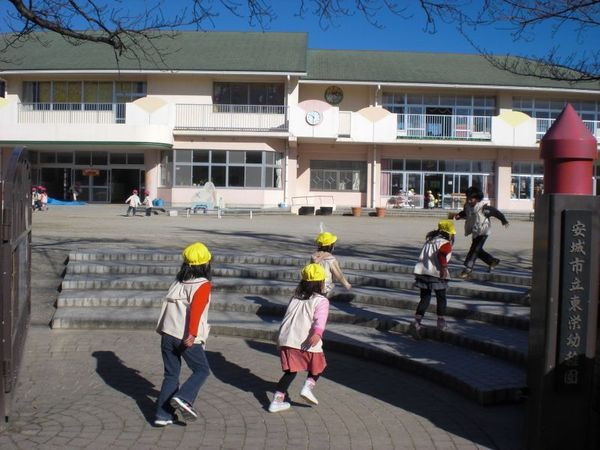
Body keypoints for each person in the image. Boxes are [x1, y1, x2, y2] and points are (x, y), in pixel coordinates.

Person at [154, 242, 212, 427]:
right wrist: (193, 333)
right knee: (202, 370)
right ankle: (184, 397)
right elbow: (196, 310)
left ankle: (162, 415)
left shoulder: (178, 281)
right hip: (185, 336)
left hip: (167, 334)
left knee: (171, 375)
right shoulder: (202, 285)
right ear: (206, 264)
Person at [269, 263, 330, 413]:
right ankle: (308, 387)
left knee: (290, 372)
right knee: (319, 365)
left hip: (287, 339)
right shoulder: (321, 301)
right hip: (306, 339)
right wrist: (317, 333)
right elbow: (320, 319)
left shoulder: (295, 298)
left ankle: (277, 400)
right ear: (321, 282)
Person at [411, 220, 456, 338]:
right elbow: (442, 254)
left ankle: (417, 322)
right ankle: (441, 322)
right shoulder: (445, 243)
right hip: (437, 273)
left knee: (425, 298)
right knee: (441, 298)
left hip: (423, 273)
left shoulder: (430, 241)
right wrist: (444, 268)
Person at [454, 186, 509, 279]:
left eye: (471, 199)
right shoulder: (467, 206)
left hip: (483, 231)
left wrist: (504, 220)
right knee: (478, 250)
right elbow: (465, 213)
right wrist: (459, 215)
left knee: (474, 249)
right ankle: (492, 261)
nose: (469, 201)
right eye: (468, 198)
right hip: (475, 231)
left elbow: (496, 212)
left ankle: (468, 269)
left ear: (477, 199)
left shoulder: (484, 208)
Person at [311, 232, 351, 298]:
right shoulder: (331, 259)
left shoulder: (313, 256)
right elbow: (338, 273)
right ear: (330, 246)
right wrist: (346, 284)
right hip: (324, 286)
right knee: (322, 302)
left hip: (313, 284)